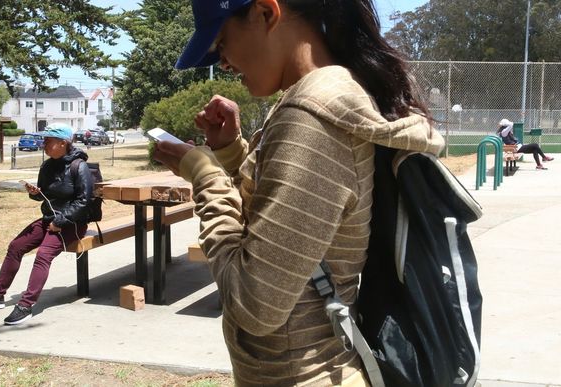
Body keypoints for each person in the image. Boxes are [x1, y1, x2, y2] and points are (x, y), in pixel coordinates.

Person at [153, 0, 445, 385]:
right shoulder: (317, 99)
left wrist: (204, 173)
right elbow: (291, 222)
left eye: (222, 42)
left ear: (266, 13)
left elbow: (255, 304)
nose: (221, 62)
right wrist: (230, 153)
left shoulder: (312, 117)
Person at [0, 123, 95, 325]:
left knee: (43, 255)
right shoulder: (47, 166)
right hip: (49, 220)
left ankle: (26, 305)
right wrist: (34, 193)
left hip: (72, 224)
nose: (43, 144)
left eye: (48, 141)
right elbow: (45, 195)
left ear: (63, 143)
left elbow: (84, 201)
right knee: (16, 246)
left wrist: (60, 221)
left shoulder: (79, 167)